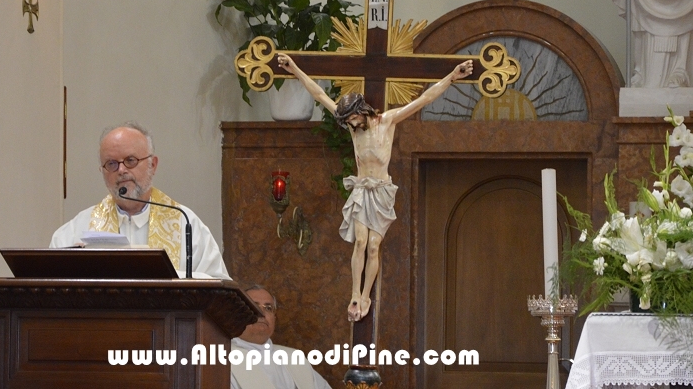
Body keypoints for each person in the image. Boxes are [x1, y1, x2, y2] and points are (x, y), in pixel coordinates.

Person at [277, 53, 473, 321]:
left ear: (360, 111)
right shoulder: (352, 128)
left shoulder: (387, 122)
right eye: (346, 122)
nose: (349, 125)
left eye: (351, 120)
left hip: (380, 190)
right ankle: (355, 294)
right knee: (359, 242)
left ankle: (367, 295)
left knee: (372, 247)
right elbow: (319, 95)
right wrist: (295, 68)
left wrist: (452, 76)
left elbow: (423, 100)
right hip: (360, 189)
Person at [49, 122, 230, 279]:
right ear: (102, 171)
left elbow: (218, 284)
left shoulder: (186, 224)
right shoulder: (76, 230)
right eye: (111, 163)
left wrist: (166, 275)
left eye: (130, 160)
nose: (121, 170)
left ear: (153, 164)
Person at [231, 285, 330, 389]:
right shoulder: (222, 362)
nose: (262, 313)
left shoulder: (295, 357)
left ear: (274, 318)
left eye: (268, 308)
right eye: (253, 306)